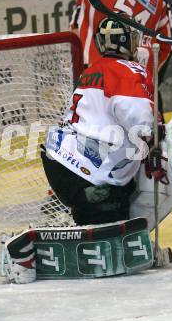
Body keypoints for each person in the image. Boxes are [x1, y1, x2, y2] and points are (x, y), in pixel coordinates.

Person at [41, 16, 154, 226]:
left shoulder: (90, 71)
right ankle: (104, 207)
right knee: (129, 164)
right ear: (126, 41)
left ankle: (80, 208)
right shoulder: (129, 70)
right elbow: (142, 124)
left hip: (62, 163)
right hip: (102, 175)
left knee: (53, 145)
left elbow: (68, 119)